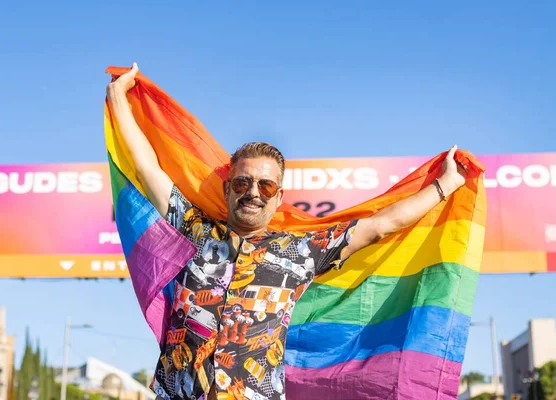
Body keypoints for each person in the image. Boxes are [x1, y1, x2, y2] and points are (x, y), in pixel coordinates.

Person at [106, 63, 467, 400]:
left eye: (265, 186)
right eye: (243, 182)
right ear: (227, 188)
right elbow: (146, 164)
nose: (252, 192)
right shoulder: (191, 228)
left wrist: (445, 186)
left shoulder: (303, 251)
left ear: (278, 197)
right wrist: (118, 97)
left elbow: (379, 226)